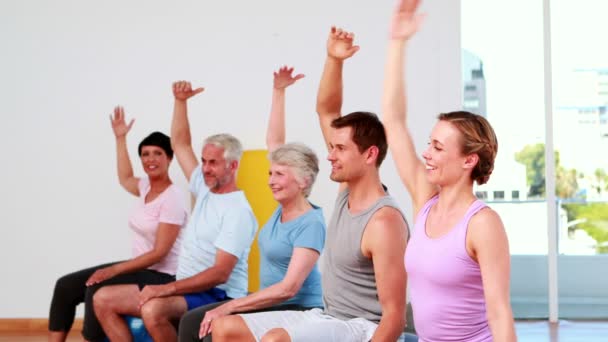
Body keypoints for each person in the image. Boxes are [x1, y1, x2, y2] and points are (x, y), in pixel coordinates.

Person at [210, 27, 409, 342]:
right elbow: (327, 110)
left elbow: (395, 317)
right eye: (332, 147)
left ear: (370, 154)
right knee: (225, 328)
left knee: (276, 339)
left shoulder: (384, 221)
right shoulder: (347, 196)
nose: (330, 156)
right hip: (328, 316)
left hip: (362, 327)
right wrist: (334, 59)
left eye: (340, 149)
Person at [382, 1, 516, 341]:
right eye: (430, 143)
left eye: (438, 148)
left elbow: (499, 313)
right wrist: (398, 43)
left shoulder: (482, 224)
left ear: (468, 160)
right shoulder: (424, 200)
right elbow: (394, 123)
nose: (426, 154)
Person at [93, 82, 257, 342]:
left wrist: (166, 289)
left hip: (217, 293)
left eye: (213, 162)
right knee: (102, 299)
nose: (205, 168)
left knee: (153, 309)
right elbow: (180, 143)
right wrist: (180, 102)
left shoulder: (238, 211)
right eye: (203, 161)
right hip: (187, 286)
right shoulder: (205, 188)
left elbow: (220, 273)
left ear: (233, 165)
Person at [177, 66, 326, 342]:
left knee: (214, 327)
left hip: (299, 309)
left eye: (279, 175)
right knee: (191, 323)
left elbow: (288, 289)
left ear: (303, 181)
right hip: (271, 305)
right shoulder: (283, 209)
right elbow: (275, 142)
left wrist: (232, 305)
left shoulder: (311, 223)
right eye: (271, 173)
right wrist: (279, 91)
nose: (270, 180)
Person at [48, 106, 187, 342]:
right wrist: (120, 138)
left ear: (170, 158)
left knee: (96, 289)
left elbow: (159, 253)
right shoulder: (144, 187)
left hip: (163, 275)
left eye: (157, 154)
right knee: (65, 286)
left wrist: (114, 270)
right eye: (145, 154)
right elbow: (124, 177)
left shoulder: (172, 198)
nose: (150, 159)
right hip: (139, 269)